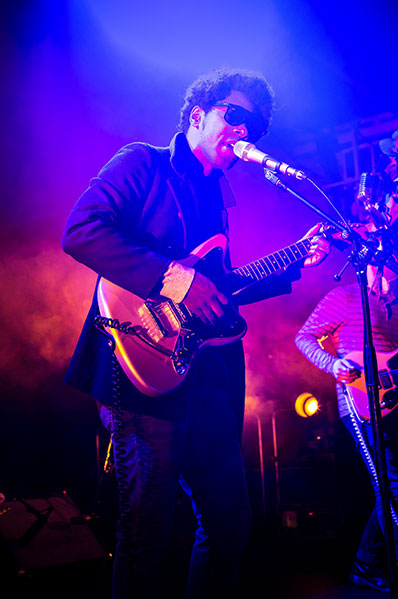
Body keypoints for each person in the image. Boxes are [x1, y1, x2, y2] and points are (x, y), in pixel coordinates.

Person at [62, 68, 330, 599]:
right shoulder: (143, 162)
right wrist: (174, 278)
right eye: (235, 115)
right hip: (141, 363)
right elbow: (82, 230)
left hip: (205, 376)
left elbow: (218, 293)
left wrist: (297, 258)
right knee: (147, 532)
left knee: (231, 522)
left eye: (256, 126)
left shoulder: (218, 198)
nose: (245, 131)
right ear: (198, 114)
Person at [295, 150, 398, 592]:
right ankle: (366, 566)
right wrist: (334, 363)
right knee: (388, 491)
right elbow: (303, 338)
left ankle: (372, 565)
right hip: (359, 402)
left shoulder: (391, 304)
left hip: (392, 398)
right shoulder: (341, 298)